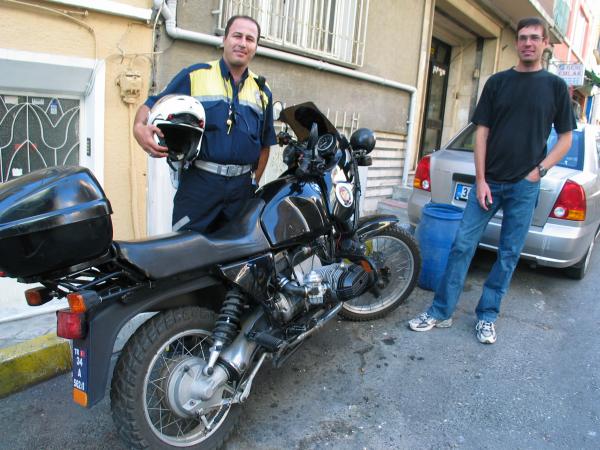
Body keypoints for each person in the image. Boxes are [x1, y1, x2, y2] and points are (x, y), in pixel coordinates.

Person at [408, 17, 576, 344]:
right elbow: (481, 134)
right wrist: (481, 180)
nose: (528, 43)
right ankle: (441, 312)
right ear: (517, 42)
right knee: (461, 246)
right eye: (523, 38)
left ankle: (487, 315)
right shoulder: (498, 83)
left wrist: (538, 171)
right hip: (488, 183)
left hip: (524, 187)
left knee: (509, 253)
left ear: (544, 44)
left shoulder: (554, 87)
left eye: (534, 38)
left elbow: (566, 138)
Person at [133, 15, 276, 233]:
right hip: (200, 184)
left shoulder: (262, 92)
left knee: (236, 258)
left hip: (241, 190)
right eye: (237, 36)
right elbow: (152, 104)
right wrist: (139, 128)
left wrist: (253, 183)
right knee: (187, 252)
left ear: (255, 47)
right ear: (224, 40)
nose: (242, 43)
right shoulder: (195, 76)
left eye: (250, 39)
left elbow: (265, 144)